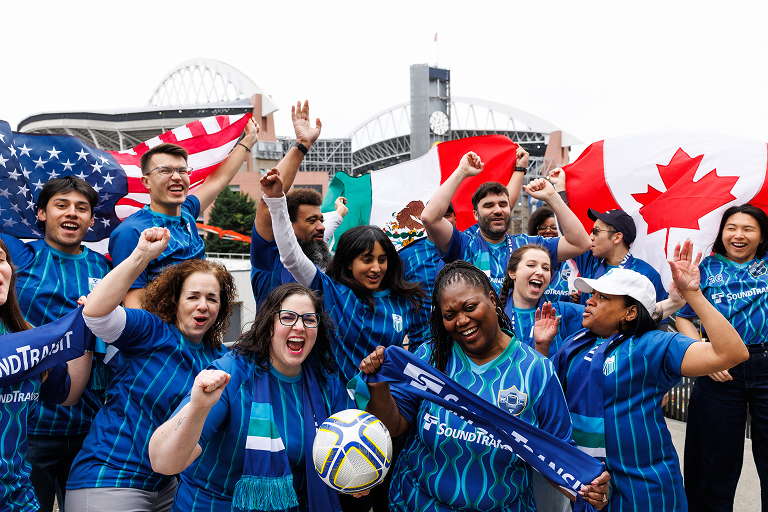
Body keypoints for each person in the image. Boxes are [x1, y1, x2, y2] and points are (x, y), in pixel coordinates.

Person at [359, 260, 610, 511]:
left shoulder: (536, 371)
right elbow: (393, 426)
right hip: (417, 503)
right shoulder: (430, 358)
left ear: (492, 298)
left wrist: (589, 488)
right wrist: (378, 384)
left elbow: (556, 457)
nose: (461, 321)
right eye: (449, 315)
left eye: (470, 307)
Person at [538, 241, 749, 511]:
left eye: (603, 297)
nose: (589, 300)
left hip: (645, 488)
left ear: (630, 312)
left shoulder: (653, 344)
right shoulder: (577, 341)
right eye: (593, 293)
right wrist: (542, 348)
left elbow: (731, 353)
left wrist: (692, 294)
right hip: (588, 485)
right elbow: (548, 395)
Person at [66, 227, 236, 512]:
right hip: (110, 478)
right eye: (193, 296)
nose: (203, 305)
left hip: (169, 487)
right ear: (175, 301)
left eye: (212, 298)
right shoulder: (152, 330)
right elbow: (95, 313)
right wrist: (142, 254)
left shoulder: (220, 358)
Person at [148, 283, 357, 512]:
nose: (299, 326)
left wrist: (354, 476)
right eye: (288, 317)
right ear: (268, 325)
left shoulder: (326, 383)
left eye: (309, 319)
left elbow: (349, 452)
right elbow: (163, 463)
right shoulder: (232, 373)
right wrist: (197, 408)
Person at [0, 177, 113, 512]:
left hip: (88, 426)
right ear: (40, 214)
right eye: (61, 205)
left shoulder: (103, 267)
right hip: (27, 427)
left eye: (82, 208)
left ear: (92, 220)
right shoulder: (21, 256)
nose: (72, 213)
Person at [261, 167, 426, 384]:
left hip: (389, 404)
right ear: (349, 263)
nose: (376, 268)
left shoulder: (404, 299)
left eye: (382, 259)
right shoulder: (331, 292)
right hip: (337, 406)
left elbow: (424, 341)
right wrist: (276, 201)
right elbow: (292, 256)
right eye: (367, 260)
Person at [110, 117, 259, 308]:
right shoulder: (131, 232)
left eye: (182, 170)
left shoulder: (187, 212)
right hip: (164, 335)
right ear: (146, 182)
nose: (176, 177)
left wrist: (248, 141)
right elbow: (134, 306)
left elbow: (218, 180)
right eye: (165, 171)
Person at [679, 204, 768, 511]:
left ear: (761, 236)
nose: (738, 235)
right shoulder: (704, 269)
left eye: (748, 228)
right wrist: (706, 358)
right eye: (731, 228)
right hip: (722, 373)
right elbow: (683, 317)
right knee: (713, 465)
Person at [0, 237, 93, 511]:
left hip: (19, 501)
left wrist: (85, 325)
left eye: (1, 260)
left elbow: (66, 393)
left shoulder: (24, 337)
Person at [421, 151, 591, 294]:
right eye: (488, 206)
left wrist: (552, 196)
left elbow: (580, 244)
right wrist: (462, 171)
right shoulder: (463, 244)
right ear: (475, 214)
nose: (497, 210)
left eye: (503, 204)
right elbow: (430, 218)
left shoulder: (527, 245)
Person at [250, 101, 324, 306]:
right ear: (287, 225)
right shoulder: (269, 259)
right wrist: (302, 145)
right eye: (311, 220)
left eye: (321, 219)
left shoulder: (322, 263)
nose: (322, 226)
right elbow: (268, 204)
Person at [398, 202, 457, 351]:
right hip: (421, 350)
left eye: (447, 215)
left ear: (455, 219)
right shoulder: (406, 256)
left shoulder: (470, 248)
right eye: (437, 215)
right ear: (425, 220)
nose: (442, 220)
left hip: (466, 350)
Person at [527, 207, 579, 303]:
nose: (548, 231)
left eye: (554, 228)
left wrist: (580, 298)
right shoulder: (525, 261)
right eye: (543, 227)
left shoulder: (572, 262)